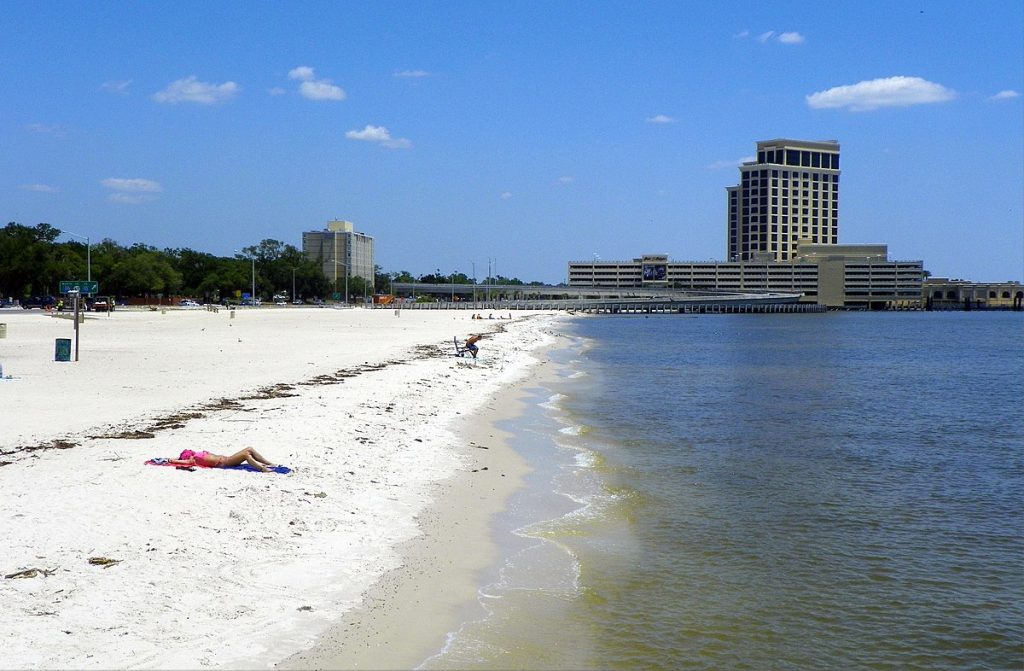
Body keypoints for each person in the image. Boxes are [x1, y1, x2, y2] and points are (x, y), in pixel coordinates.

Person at [169, 447, 277, 472]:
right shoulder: (193, 460)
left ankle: (268, 463)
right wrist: (171, 460)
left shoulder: (197, 454)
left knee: (249, 449)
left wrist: (174, 458)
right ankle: (263, 469)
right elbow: (179, 461)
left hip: (226, 458)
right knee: (246, 455)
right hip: (225, 462)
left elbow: (179, 458)